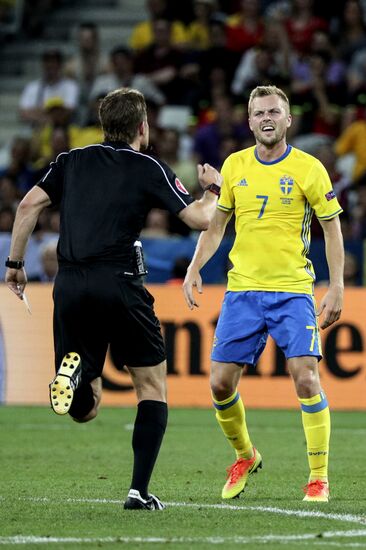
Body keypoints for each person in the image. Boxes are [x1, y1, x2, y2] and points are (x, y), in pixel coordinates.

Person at [5, 87, 223, 511]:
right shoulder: (147, 166)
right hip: (120, 284)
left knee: (85, 409)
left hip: (68, 284)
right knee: (151, 386)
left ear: (105, 125)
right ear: (142, 127)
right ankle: (138, 491)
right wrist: (212, 188)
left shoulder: (71, 160)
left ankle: (79, 371)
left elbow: (28, 205)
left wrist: (15, 263)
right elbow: (199, 218)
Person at [183, 85, 344, 503]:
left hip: (292, 291)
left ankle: (318, 477)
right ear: (250, 121)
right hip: (243, 292)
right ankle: (245, 455)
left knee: (306, 377)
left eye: (274, 111)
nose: (266, 118)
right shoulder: (235, 166)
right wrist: (194, 267)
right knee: (219, 384)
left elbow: (331, 228)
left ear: (288, 119)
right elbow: (216, 226)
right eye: (258, 113)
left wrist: (337, 285)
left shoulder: (309, 168)